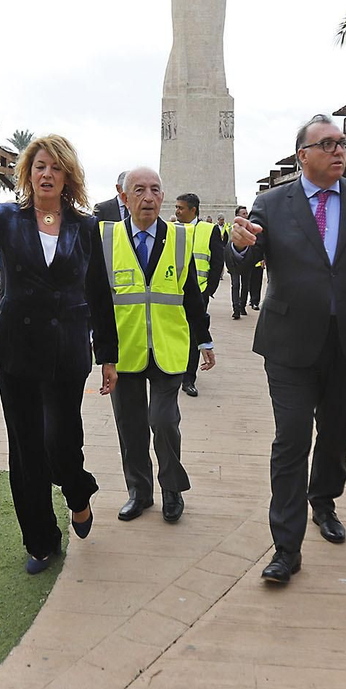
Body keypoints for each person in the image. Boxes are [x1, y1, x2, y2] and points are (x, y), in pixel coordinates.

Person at [228, 115, 346, 584]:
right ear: (302, 156)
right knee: (291, 439)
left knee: (335, 431)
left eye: (343, 143)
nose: (339, 151)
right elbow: (247, 255)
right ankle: (286, 549)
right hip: (289, 343)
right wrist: (238, 242)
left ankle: (324, 500)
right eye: (327, 144)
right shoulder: (272, 203)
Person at [0, 137, 115, 574]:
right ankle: (41, 540)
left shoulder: (86, 227)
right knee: (26, 449)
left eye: (55, 167)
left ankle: (78, 492)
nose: (46, 174)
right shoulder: (6, 217)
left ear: (68, 175)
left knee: (63, 442)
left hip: (68, 353)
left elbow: (99, 295)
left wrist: (108, 354)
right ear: (28, 174)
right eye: (38, 166)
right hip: (17, 352)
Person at [106, 168, 215, 523]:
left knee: (164, 421)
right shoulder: (107, 240)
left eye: (155, 190)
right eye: (139, 190)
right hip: (126, 351)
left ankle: (172, 490)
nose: (148, 197)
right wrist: (103, 354)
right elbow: (97, 301)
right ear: (124, 198)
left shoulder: (180, 239)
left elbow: (192, 298)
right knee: (131, 426)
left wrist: (205, 340)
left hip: (169, 349)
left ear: (163, 197)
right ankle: (139, 492)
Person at [173, 192, 224, 397]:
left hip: (199, 291)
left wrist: (209, 290)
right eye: (176, 207)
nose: (177, 211)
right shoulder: (171, 229)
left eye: (180, 208)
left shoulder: (209, 230)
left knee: (195, 334)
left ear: (193, 210)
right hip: (173, 293)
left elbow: (217, 261)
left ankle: (188, 379)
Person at [230, 205, 252, 319]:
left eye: (246, 213)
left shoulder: (251, 228)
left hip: (247, 261)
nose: (246, 215)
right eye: (243, 213)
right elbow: (227, 245)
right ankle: (236, 309)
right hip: (234, 261)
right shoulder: (232, 229)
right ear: (237, 216)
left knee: (245, 285)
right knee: (235, 285)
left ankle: (242, 306)